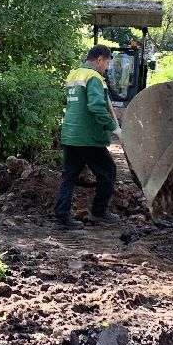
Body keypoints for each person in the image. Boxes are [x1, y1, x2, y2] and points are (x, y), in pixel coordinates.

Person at [54, 44, 121, 229]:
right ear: (99, 59)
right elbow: (96, 106)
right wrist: (114, 128)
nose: (107, 67)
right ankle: (99, 212)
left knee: (69, 177)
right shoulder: (94, 77)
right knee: (108, 171)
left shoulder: (74, 75)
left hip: (70, 134)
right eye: (107, 63)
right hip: (87, 138)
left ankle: (61, 217)